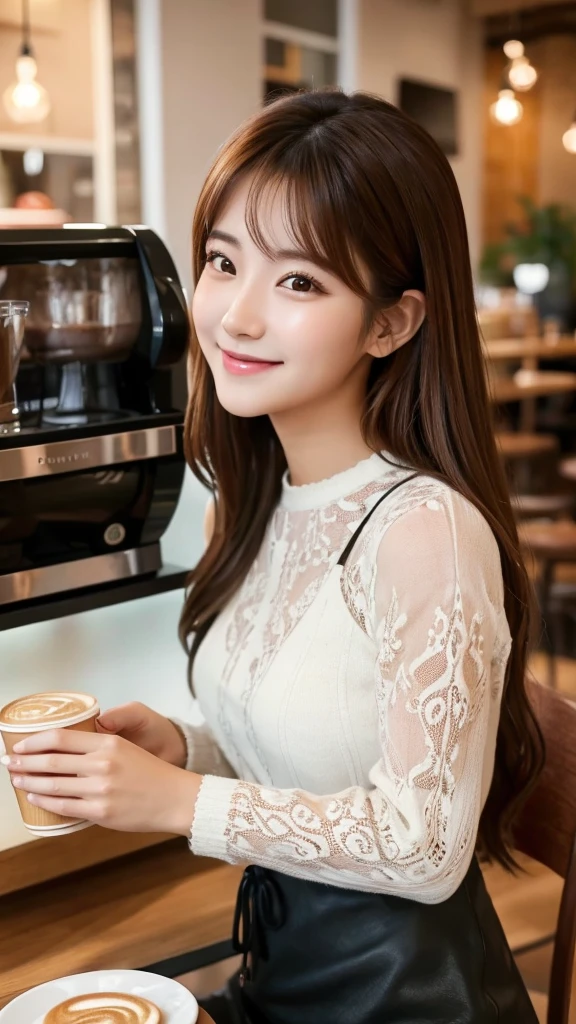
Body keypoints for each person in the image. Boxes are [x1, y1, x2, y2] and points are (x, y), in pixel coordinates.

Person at [2, 90, 544, 1023]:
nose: (237, 317)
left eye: (300, 282)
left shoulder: (427, 532)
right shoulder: (263, 499)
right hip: (288, 969)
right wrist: (186, 746)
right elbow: (335, 735)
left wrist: (182, 799)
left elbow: (425, 847)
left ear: (392, 323)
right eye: (222, 261)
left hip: (406, 1000)